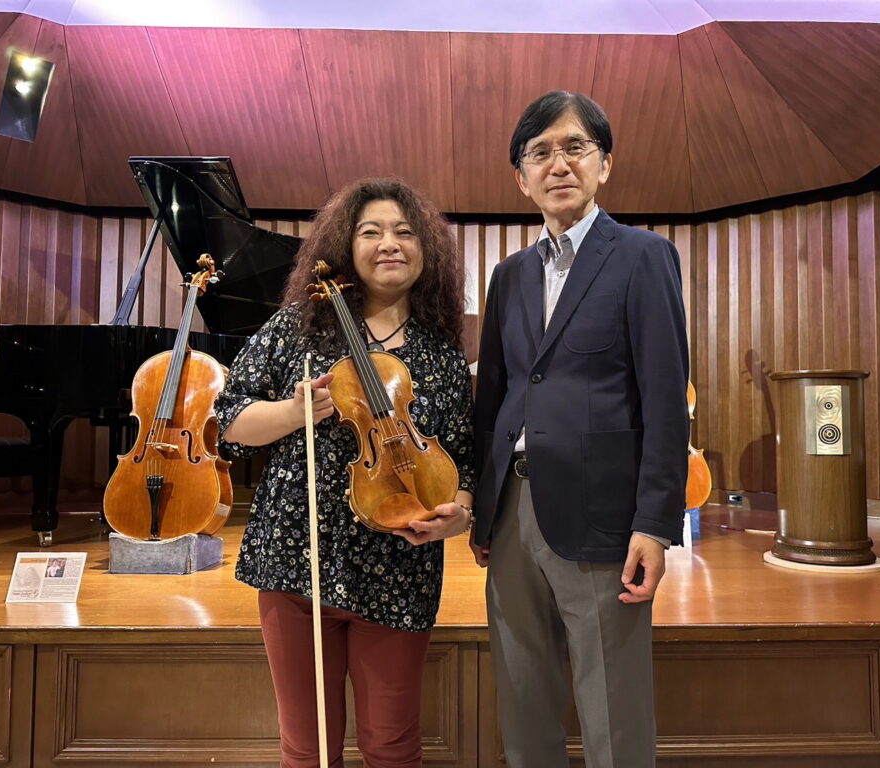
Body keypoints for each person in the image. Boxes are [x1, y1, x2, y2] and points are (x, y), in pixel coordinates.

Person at [215, 178, 475, 768]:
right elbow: (228, 418)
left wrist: (456, 515)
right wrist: (291, 412)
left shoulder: (441, 354)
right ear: (345, 245)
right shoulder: (299, 329)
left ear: (425, 250)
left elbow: (464, 458)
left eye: (405, 232)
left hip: (399, 568)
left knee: (391, 744)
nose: (390, 243)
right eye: (372, 231)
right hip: (295, 561)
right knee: (307, 749)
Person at [472, 90, 689, 768]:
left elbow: (664, 402)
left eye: (574, 148)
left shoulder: (642, 257)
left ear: (604, 165)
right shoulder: (509, 276)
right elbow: (496, 402)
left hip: (602, 518)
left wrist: (655, 524)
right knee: (523, 700)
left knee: (614, 717)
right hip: (513, 516)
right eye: (540, 153)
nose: (558, 164)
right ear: (521, 176)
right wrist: (483, 512)